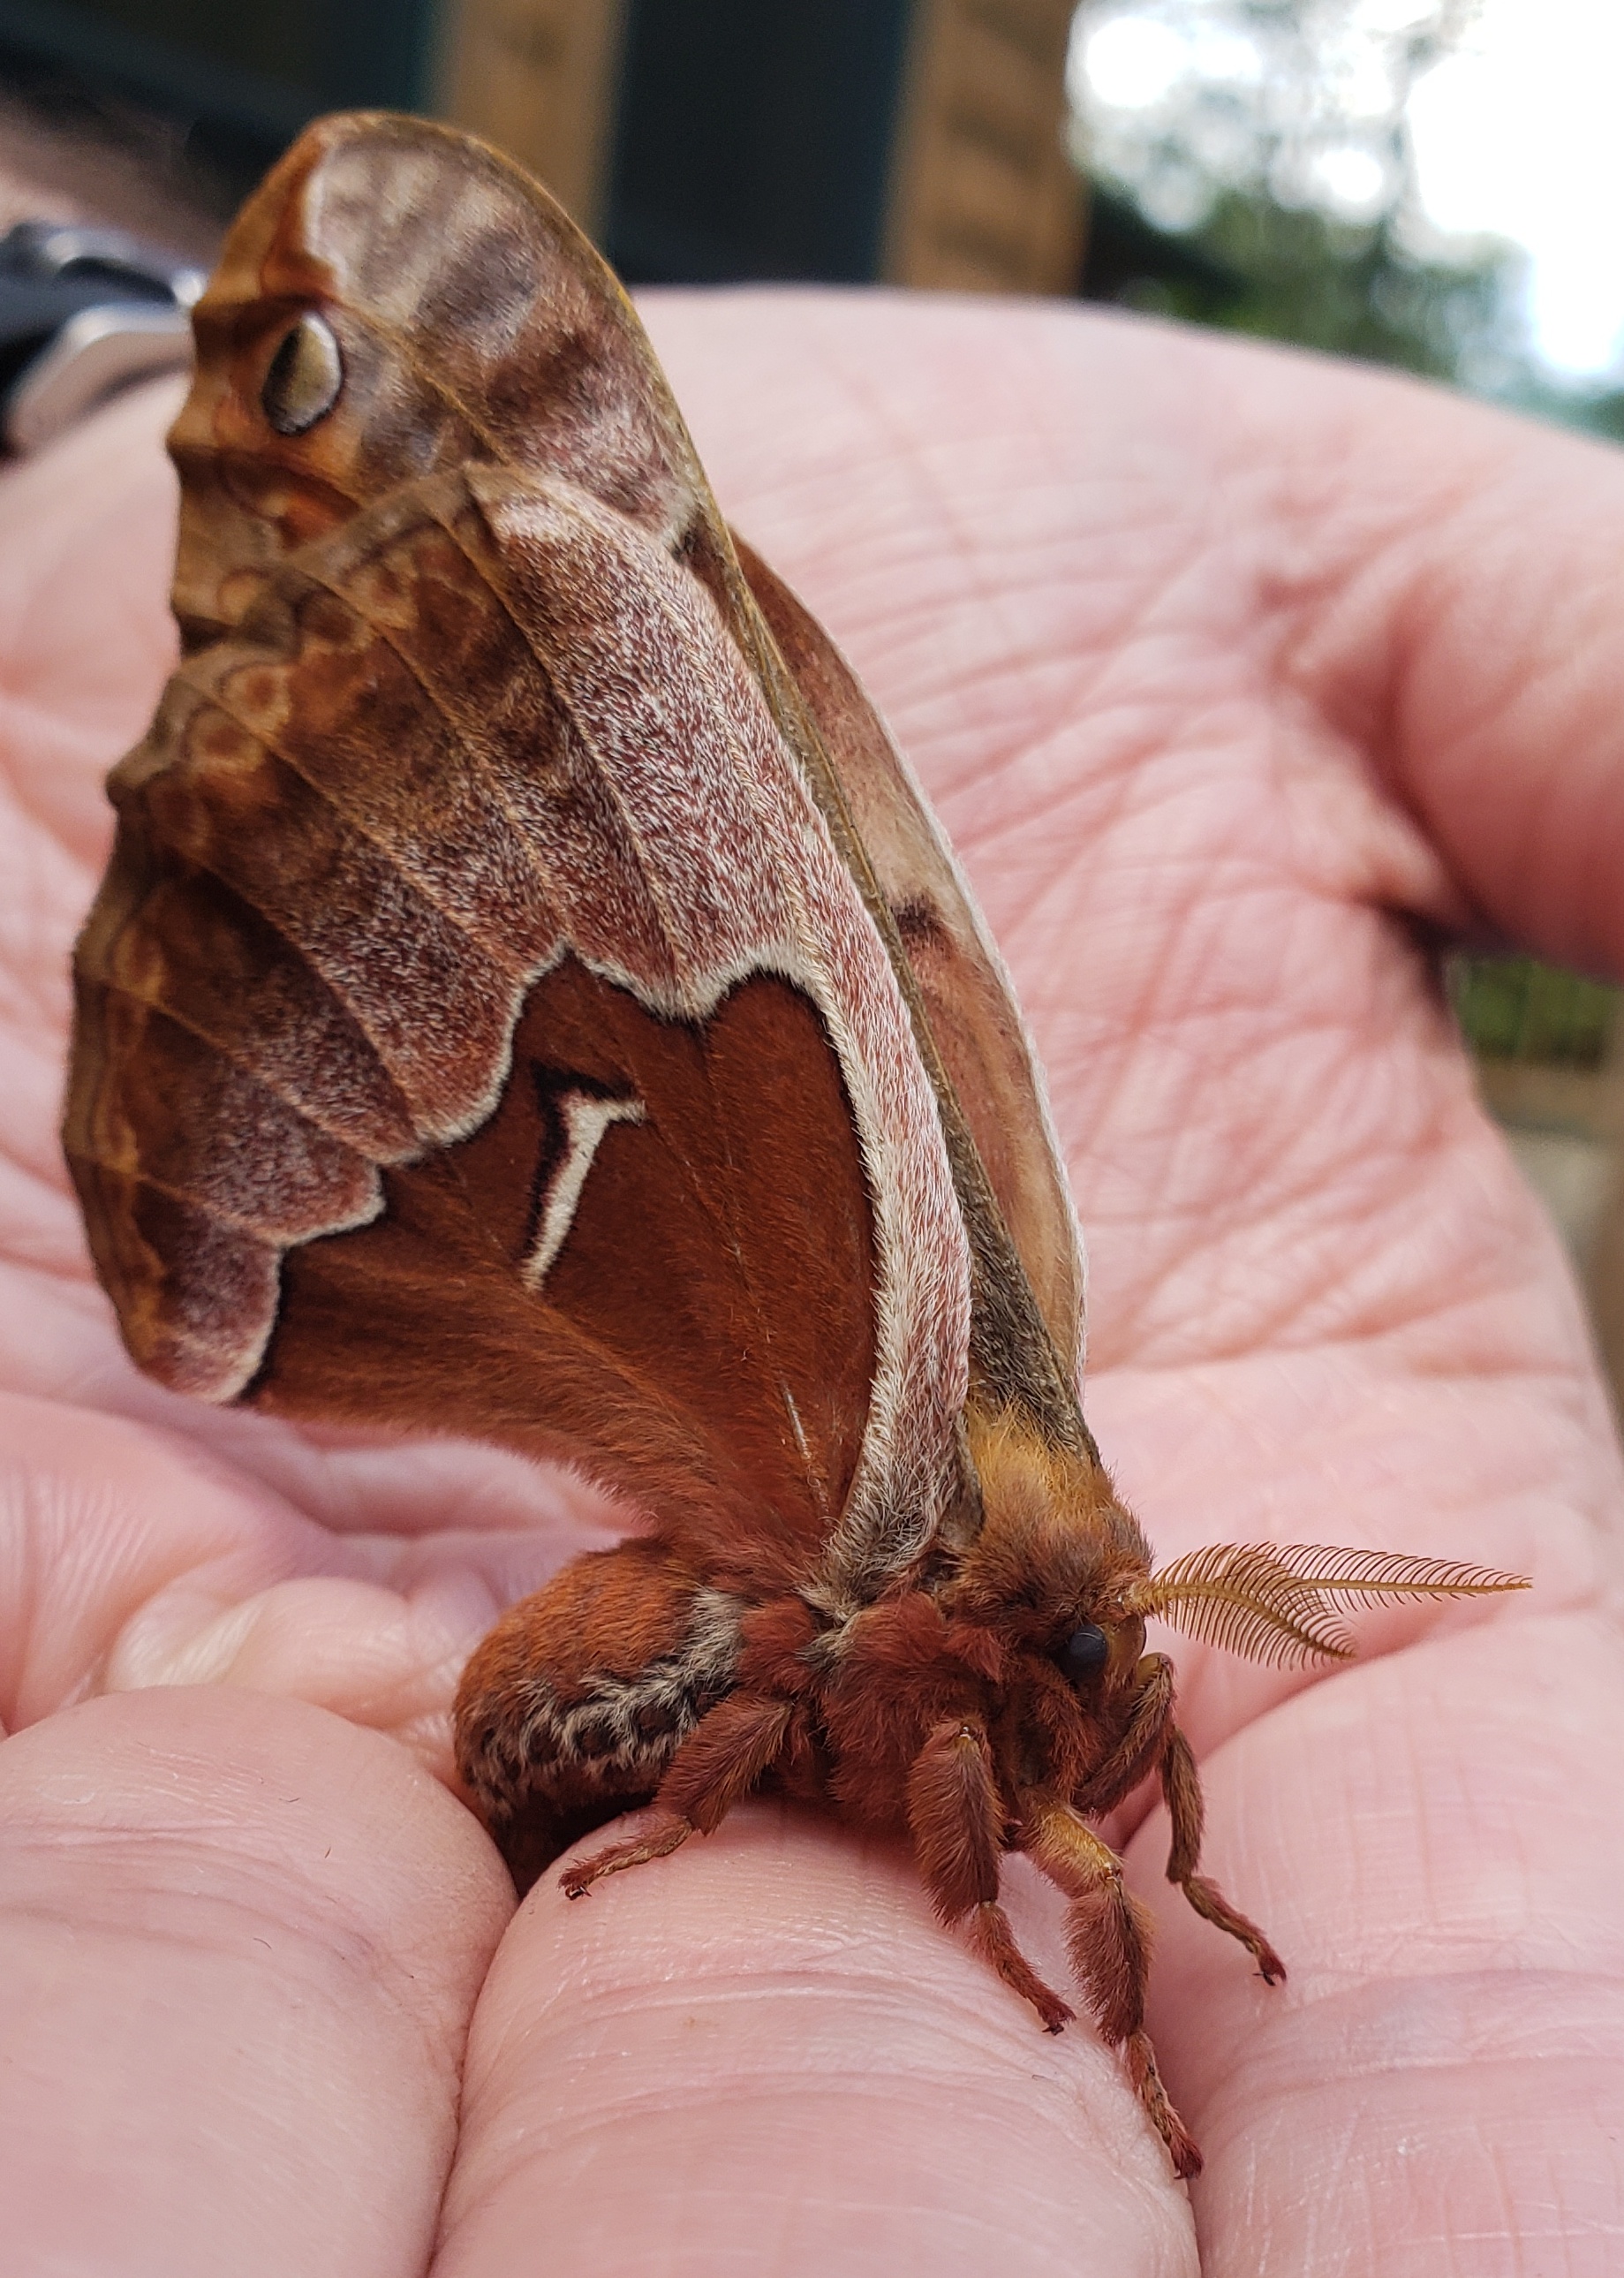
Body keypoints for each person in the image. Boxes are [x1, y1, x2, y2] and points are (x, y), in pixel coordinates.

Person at [0, 283, 1619, 2274]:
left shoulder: (1027, 1570)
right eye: (1093, 1679)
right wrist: (932, 1910)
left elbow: (1078, 1716)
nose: (1118, 1716)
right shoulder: (937, 1559)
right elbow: (893, 1721)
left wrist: (1187, 1882)